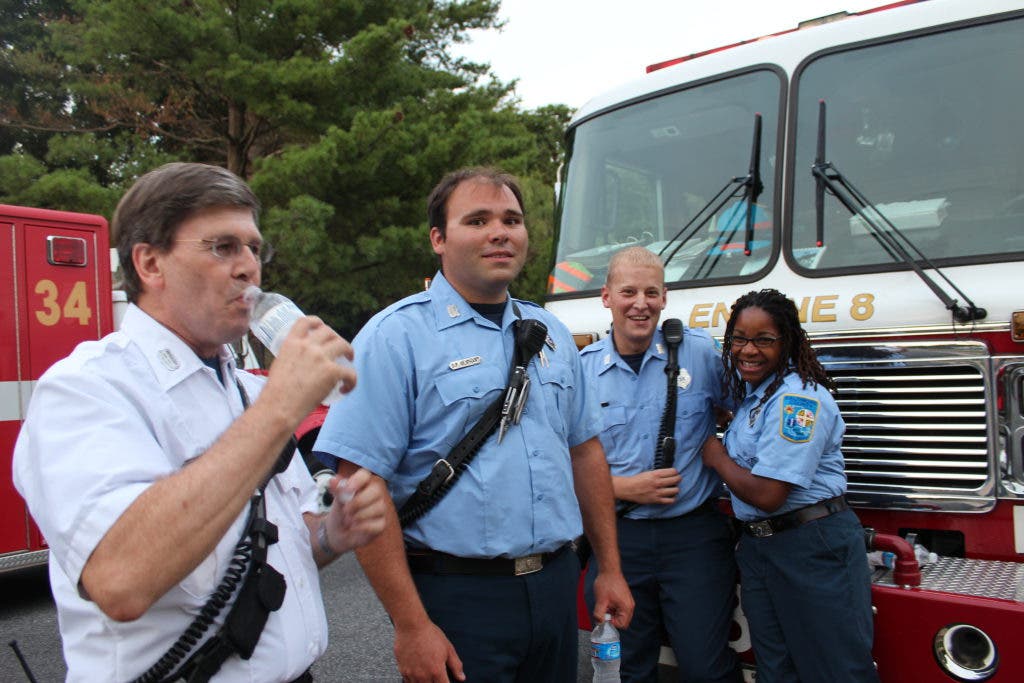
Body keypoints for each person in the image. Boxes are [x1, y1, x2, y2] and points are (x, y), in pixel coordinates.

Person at [12, 162, 388, 682]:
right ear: (149, 263)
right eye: (222, 247)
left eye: (254, 248)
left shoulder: (247, 388)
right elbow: (120, 581)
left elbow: (270, 553)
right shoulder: (87, 388)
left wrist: (331, 535)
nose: (248, 268)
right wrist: (279, 411)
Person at [312, 167, 634, 682]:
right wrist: (411, 625)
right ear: (438, 238)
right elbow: (360, 484)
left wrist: (610, 569)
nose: (500, 232)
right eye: (478, 220)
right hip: (457, 598)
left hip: (554, 584)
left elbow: (585, 451)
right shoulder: (395, 337)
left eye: (512, 219)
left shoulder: (549, 331)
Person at [579, 246, 741, 683]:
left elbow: (742, 413)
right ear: (606, 296)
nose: (640, 303)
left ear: (665, 297)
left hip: (693, 538)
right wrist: (624, 488)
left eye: (651, 292)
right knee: (628, 669)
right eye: (628, 291)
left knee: (706, 667)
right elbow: (563, 465)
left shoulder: (701, 353)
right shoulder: (582, 373)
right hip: (618, 540)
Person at [701, 288, 878, 683]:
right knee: (776, 669)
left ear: (788, 343)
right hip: (763, 548)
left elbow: (768, 495)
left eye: (764, 340)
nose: (748, 350)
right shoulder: (756, 399)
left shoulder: (797, 399)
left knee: (835, 670)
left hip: (810, 547)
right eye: (739, 339)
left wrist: (715, 455)